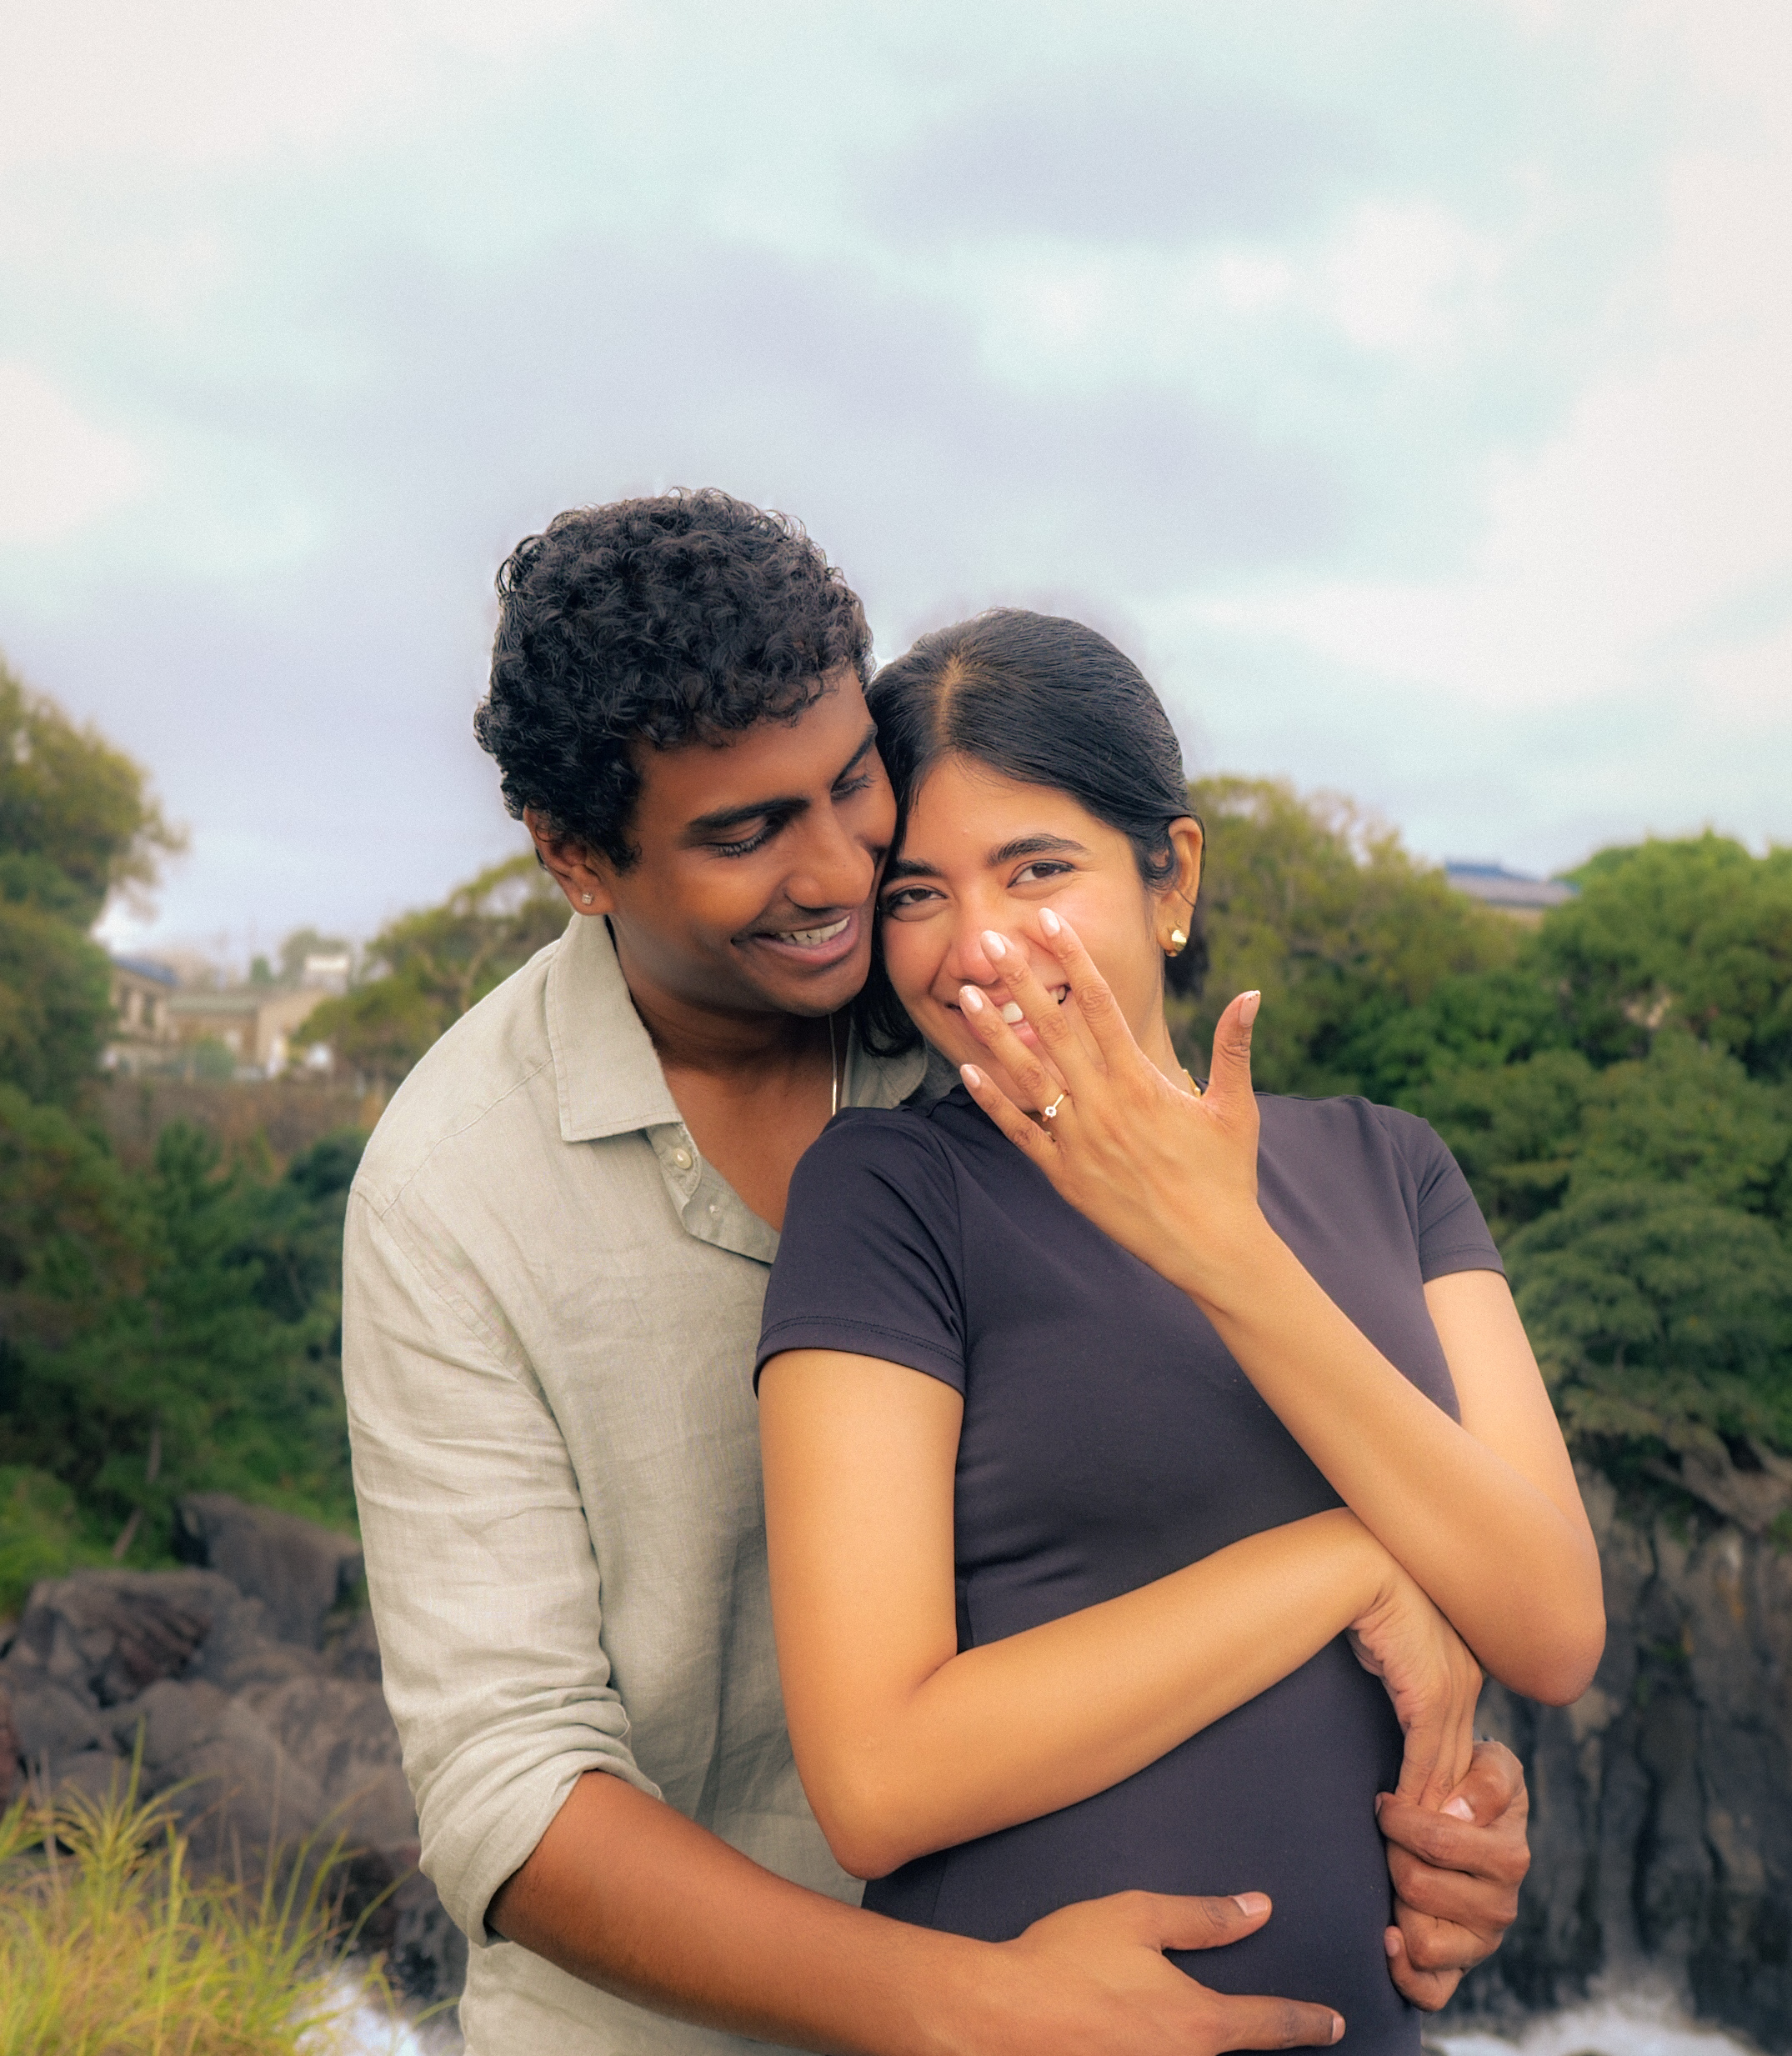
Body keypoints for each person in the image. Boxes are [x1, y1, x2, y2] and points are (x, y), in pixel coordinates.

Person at [343, 495, 1539, 2056]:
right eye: (746, 831)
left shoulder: (1001, 1030)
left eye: (854, 786)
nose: (845, 867)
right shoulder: (453, 1194)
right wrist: (972, 2003)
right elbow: (513, 1788)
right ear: (578, 860)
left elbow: (1205, 1463)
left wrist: (1435, 1776)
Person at [757, 608, 1605, 2055]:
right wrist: (1349, 1562)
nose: (975, 945)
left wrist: (1226, 1256)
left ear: (1173, 875)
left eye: (1037, 870)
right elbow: (878, 1778)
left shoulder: (1390, 1169)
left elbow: (1551, 1626)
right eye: (916, 895)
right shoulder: (889, 1194)